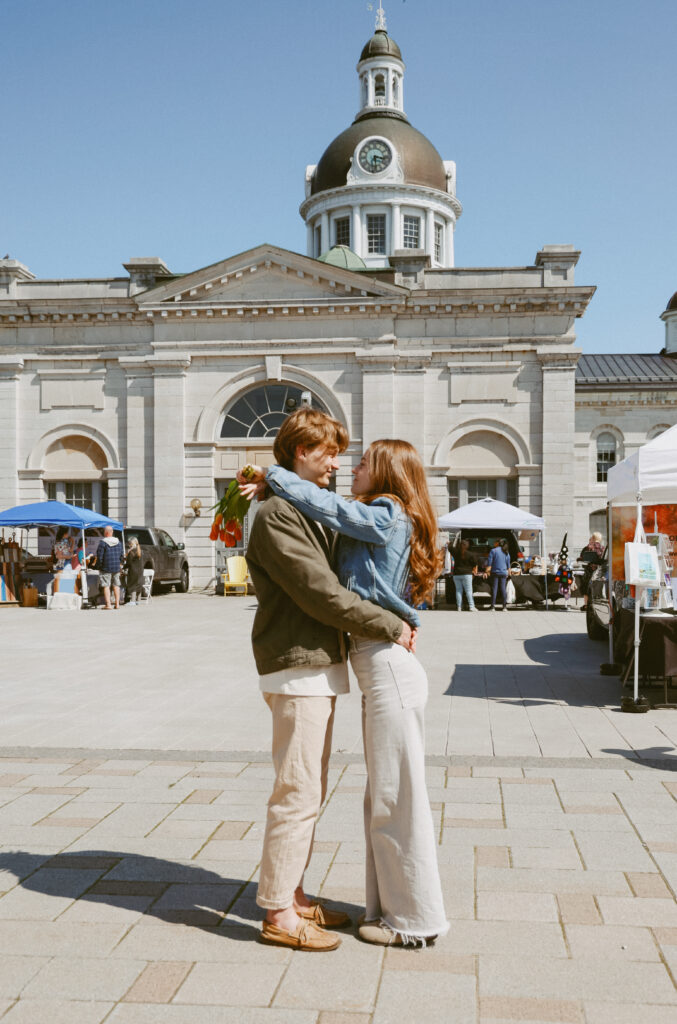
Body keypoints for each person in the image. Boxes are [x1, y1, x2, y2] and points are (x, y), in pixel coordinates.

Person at [242, 437, 448, 949]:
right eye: (334, 455)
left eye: (358, 460)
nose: (345, 466)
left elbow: (327, 510)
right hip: (370, 661)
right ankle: (329, 907)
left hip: (386, 663)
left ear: (385, 471)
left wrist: (276, 478)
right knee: (378, 796)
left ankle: (411, 919)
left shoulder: (385, 510)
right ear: (301, 451)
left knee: (394, 797)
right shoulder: (359, 512)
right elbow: (323, 570)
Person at [96, 526, 124, 610]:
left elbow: (100, 556)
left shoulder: (103, 543)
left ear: (106, 533)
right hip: (116, 567)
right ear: (112, 532)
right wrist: (120, 564)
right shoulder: (119, 543)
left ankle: (108, 605)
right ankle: (117, 604)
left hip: (106, 567)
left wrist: (98, 566)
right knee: (116, 585)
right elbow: (122, 556)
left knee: (106, 585)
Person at [578, 532, 604, 611]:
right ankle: (595, 605)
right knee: (596, 588)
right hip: (599, 570)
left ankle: (586, 605)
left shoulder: (589, 547)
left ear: (593, 538)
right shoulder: (603, 547)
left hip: (589, 570)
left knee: (586, 588)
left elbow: (582, 556)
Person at [451, 537, 478, 612]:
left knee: (458, 591)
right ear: (467, 546)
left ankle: (459, 607)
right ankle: (471, 607)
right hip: (467, 574)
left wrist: (449, 543)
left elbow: (450, 547)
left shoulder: (455, 552)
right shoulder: (470, 554)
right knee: (469, 591)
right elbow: (475, 564)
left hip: (456, 574)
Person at [485, 537, 511, 610]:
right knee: (503, 589)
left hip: (495, 572)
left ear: (497, 543)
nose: (493, 543)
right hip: (503, 573)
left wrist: (486, 572)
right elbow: (508, 565)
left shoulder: (493, 551)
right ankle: (504, 607)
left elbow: (489, 564)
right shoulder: (506, 552)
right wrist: (509, 573)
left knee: (494, 589)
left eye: (495, 542)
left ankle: (493, 606)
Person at [124, 536, 144, 604]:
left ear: (131, 544)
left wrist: (123, 567)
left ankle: (132, 601)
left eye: (129, 543)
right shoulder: (140, 551)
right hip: (140, 571)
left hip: (133, 571)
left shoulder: (131, 552)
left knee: (132, 585)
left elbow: (128, 563)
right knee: (139, 585)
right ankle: (138, 600)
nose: (129, 545)